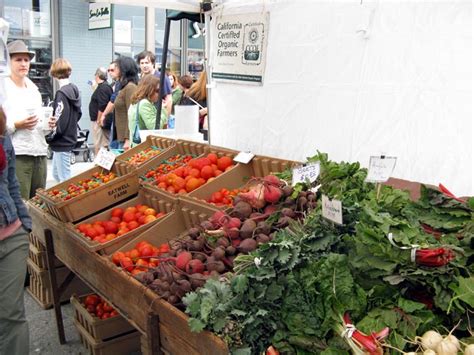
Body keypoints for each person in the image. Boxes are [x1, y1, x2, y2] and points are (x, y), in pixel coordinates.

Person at [0, 106, 33, 355]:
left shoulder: (3, 135)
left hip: (12, 235)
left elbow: (11, 182)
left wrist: (25, 225)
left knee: (12, 314)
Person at [3, 40, 48, 199]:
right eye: (18, 59)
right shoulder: (3, 88)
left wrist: (49, 125)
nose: (23, 63)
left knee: (39, 204)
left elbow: (39, 122)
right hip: (18, 154)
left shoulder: (33, 89)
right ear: (8, 62)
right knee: (21, 205)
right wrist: (16, 125)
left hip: (40, 152)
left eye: (26, 60)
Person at [48, 58, 82, 182]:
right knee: (58, 175)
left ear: (54, 74)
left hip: (62, 140)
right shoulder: (74, 90)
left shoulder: (61, 94)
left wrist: (51, 136)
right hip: (70, 136)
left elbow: (59, 120)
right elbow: (79, 114)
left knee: (64, 180)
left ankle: (68, 202)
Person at [127, 75, 166, 147]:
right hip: (142, 148)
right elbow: (155, 127)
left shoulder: (136, 102)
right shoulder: (144, 103)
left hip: (135, 146)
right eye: (157, 91)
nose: (160, 94)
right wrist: (163, 110)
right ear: (149, 90)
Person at [136, 51, 172, 118]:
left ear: (152, 63)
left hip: (157, 117)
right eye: (142, 63)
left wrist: (166, 120)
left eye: (147, 63)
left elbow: (169, 99)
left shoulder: (161, 77)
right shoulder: (140, 78)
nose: (144, 65)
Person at [113, 56, 138, 150]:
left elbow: (132, 114)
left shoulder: (130, 87)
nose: (114, 69)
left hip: (125, 139)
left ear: (124, 69)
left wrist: (127, 139)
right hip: (119, 136)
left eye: (117, 67)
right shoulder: (124, 86)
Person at [89, 67, 112, 154]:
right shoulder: (103, 87)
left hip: (100, 121)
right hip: (100, 120)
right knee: (100, 144)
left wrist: (98, 120)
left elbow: (102, 106)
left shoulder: (103, 88)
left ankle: (99, 164)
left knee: (100, 145)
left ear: (98, 75)